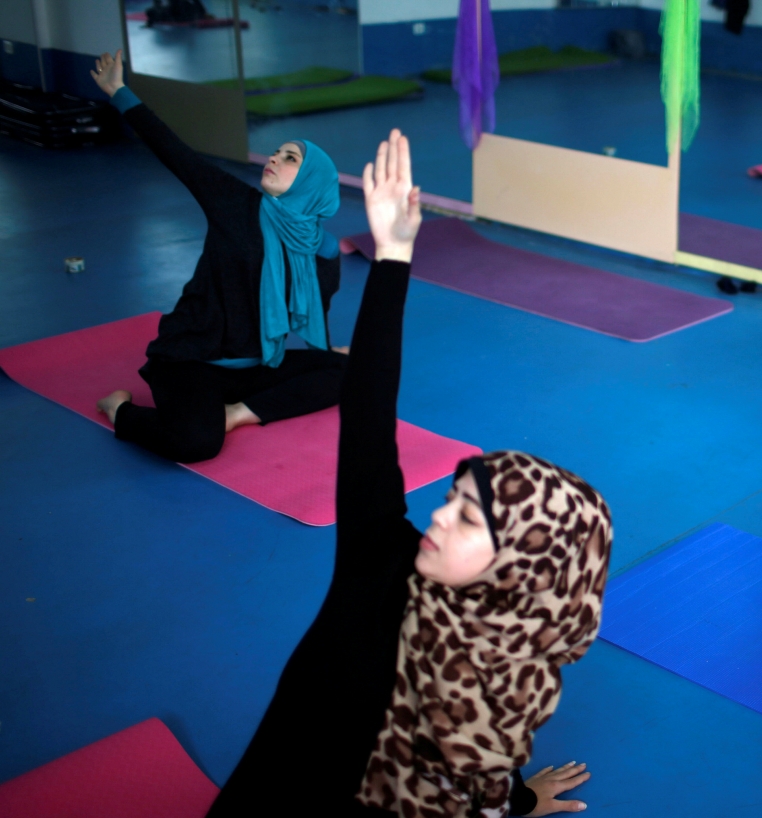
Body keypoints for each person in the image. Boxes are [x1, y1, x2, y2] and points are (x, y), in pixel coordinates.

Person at [206, 129, 610, 817]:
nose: (439, 515)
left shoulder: (507, 675)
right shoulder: (379, 563)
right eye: (454, 499)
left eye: (468, 519)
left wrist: (513, 801)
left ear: (520, 572)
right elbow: (367, 412)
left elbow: (466, 762)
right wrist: (393, 254)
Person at [90, 50, 350, 464]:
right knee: (196, 444)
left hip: (255, 364)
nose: (273, 159)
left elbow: (314, 307)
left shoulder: (325, 249)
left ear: (313, 184)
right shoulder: (234, 203)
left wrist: (327, 349)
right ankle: (119, 408)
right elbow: (177, 153)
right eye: (276, 152)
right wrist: (118, 92)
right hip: (190, 358)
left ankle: (237, 415)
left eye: (290, 159)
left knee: (351, 372)